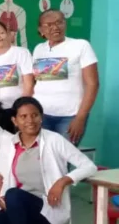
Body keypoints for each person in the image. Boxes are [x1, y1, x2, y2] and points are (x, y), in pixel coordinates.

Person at [32, 9, 99, 145]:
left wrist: (80, 117)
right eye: (49, 25)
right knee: (42, 159)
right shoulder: (39, 49)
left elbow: (93, 84)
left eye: (59, 22)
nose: (55, 27)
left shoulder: (81, 46)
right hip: (41, 115)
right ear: (41, 30)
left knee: (63, 160)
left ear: (65, 24)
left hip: (70, 116)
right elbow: (36, 81)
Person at [0, 21, 34, 132]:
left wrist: (22, 110)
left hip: (16, 111)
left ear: (8, 34)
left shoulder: (21, 53)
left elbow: (29, 84)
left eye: (1, 33)